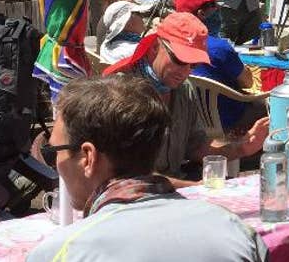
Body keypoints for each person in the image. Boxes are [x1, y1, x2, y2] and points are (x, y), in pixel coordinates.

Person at [22, 76, 269, 262]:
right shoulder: (235, 231)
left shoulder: (61, 256)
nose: (55, 161)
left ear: (88, 157)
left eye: (52, 150)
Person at [104, 12, 269, 186]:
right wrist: (195, 188)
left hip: (175, 187)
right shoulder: (122, 90)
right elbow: (131, 176)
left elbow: (196, 146)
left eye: (194, 65)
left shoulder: (184, 89)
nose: (186, 71)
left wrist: (242, 147)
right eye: (180, 60)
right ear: (154, 48)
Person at [176, 0, 264, 132]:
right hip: (228, 118)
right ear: (201, 14)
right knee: (271, 108)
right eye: (212, 5)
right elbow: (248, 83)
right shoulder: (219, 48)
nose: (217, 8)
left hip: (188, 121)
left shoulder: (171, 44)